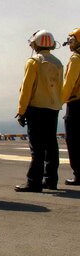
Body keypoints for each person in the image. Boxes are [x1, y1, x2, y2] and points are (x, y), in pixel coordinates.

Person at [15, 30, 63, 192]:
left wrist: (21, 111)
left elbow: (26, 89)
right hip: (53, 108)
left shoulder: (34, 62)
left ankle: (33, 181)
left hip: (36, 108)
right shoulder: (58, 62)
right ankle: (51, 179)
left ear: (36, 43)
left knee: (37, 147)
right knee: (51, 144)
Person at [62, 27, 80, 186]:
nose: (69, 43)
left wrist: (58, 102)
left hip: (76, 104)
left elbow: (69, 84)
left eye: (72, 40)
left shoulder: (75, 59)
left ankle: (78, 174)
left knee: (73, 140)